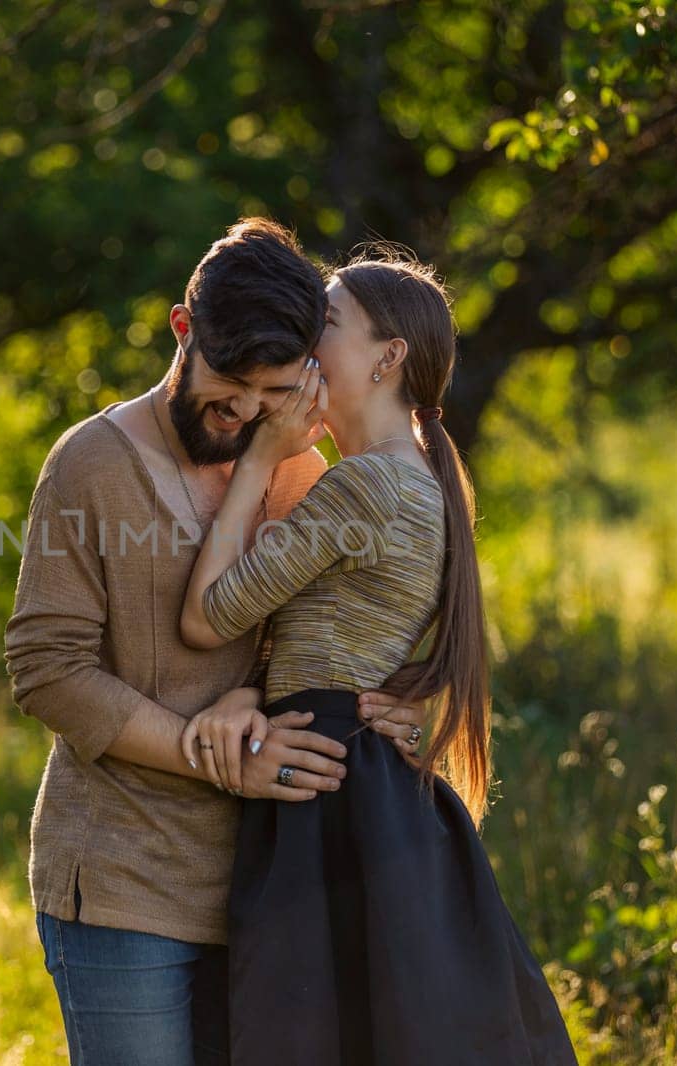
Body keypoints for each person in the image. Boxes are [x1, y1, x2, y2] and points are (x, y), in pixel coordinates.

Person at [3, 219, 434, 1066]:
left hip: (269, 878)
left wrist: (376, 699)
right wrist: (212, 754)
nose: (243, 416)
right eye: (227, 389)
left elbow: (303, 634)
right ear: (182, 331)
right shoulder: (91, 463)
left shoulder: (298, 468)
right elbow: (47, 671)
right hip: (125, 883)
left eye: (271, 396)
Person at [177, 248, 580, 1065]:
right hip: (356, 775)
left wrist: (258, 458)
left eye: (325, 324)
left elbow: (207, 616)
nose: (304, 341)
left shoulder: (366, 487)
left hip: (327, 782)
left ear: (387, 358)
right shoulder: (419, 477)